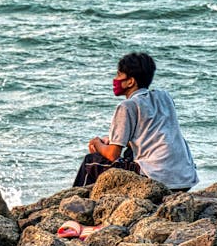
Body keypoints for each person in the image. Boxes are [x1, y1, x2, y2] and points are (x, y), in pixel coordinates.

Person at [73, 52, 197, 191]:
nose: (115, 79)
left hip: (158, 178)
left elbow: (113, 154)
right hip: (185, 178)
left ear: (131, 81)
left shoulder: (127, 106)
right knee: (129, 153)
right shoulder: (164, 97)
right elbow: (148, 134)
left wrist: (97, 143)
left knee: (91, 162)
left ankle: (76, 201)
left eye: (119, 75)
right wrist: (111, 140)